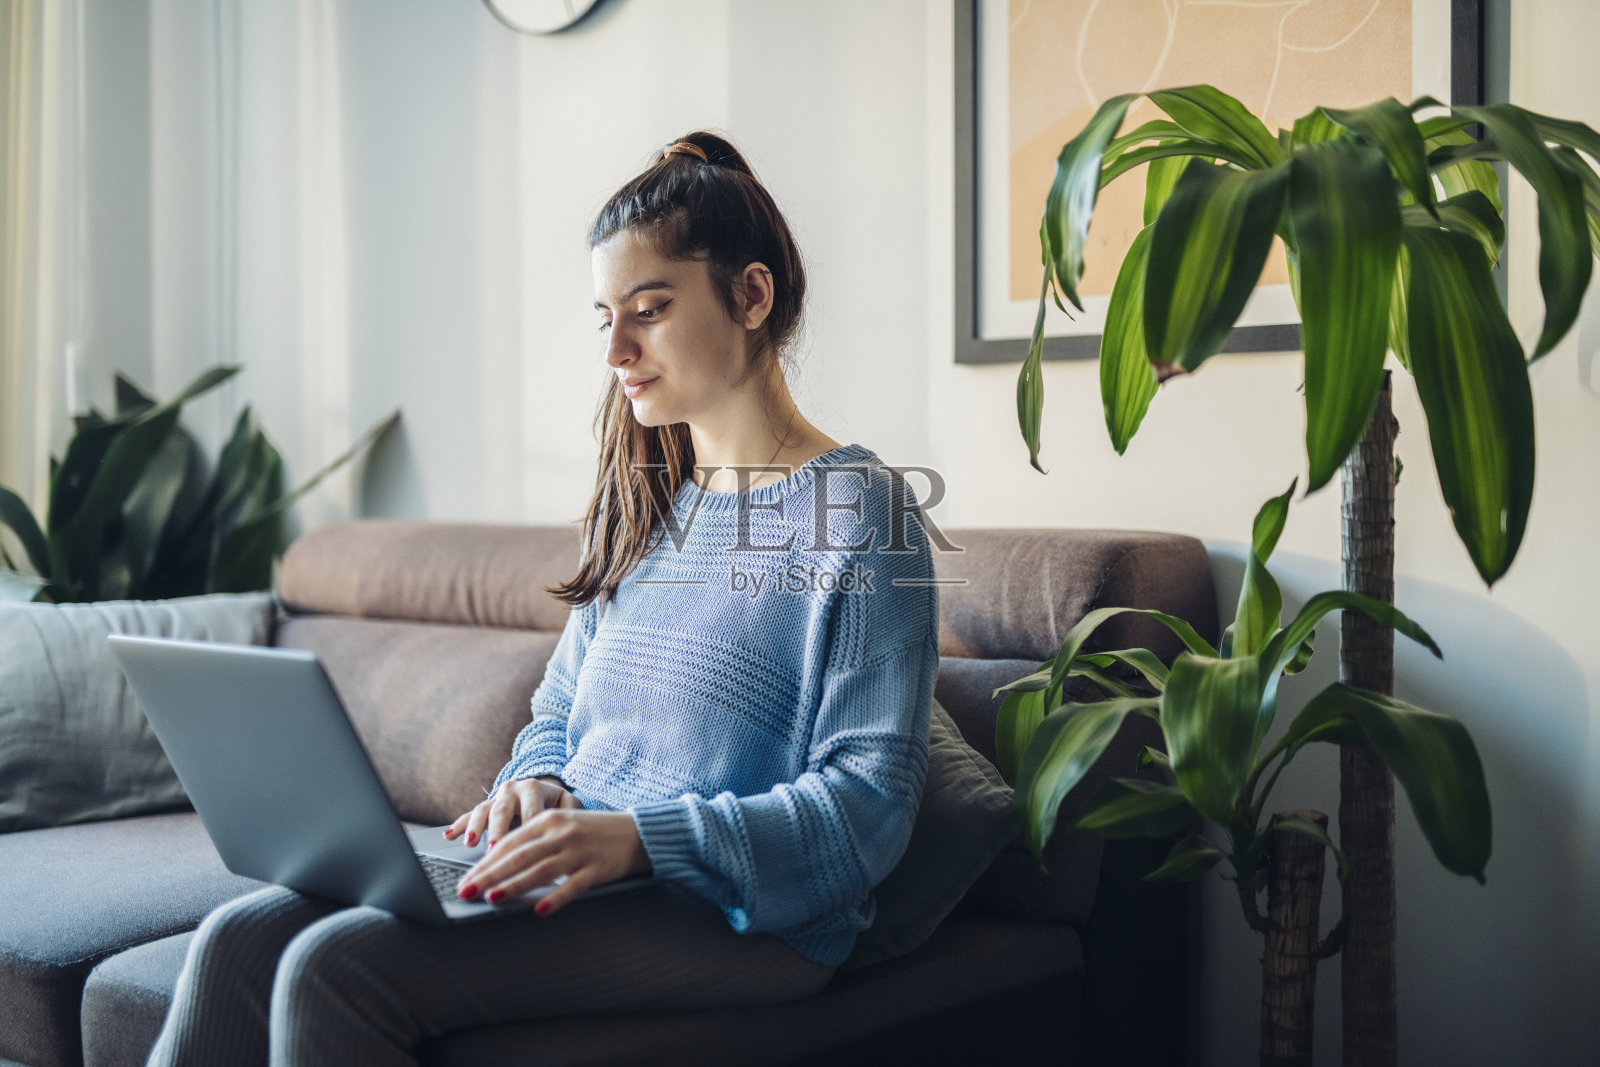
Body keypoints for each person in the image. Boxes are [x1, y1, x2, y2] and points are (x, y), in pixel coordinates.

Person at [146, 131, 940, 1066]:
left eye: (649, 310)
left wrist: (638, 842)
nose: (617, 349)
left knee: (336, 968)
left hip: (740, 917)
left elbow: (867, 810)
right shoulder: (645, 505)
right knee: (237, 940)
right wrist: (537, 782)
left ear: (751, 296)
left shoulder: (860, 513)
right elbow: (558, 714)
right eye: (605, 317)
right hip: (590, 873)